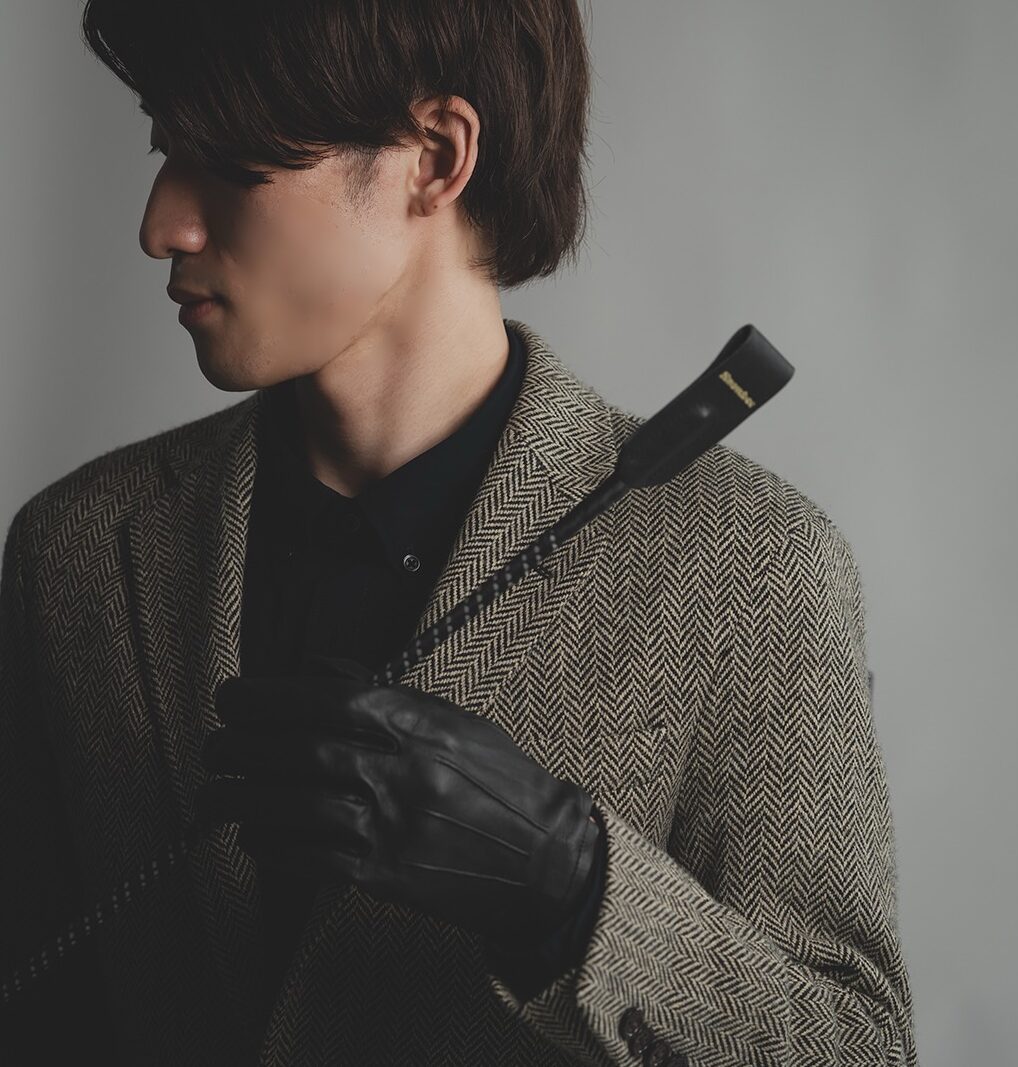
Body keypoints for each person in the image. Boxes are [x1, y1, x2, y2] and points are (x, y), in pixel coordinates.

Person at [0, 2, 919, 1064]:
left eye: (227, 162)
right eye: (166, 149)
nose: (161, 225)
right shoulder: (75, 548)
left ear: (434, 156)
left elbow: (856, 1045)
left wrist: (571, 890)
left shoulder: (749, 563)